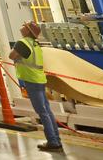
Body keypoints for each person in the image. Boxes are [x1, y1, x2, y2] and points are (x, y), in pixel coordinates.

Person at [10, 20, 63, 153]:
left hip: (32, 80)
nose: (21, 27)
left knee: (42, 111)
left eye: (24, 26)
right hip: (39, 79)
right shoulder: (35, 43)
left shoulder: (23, 42)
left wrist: (17, 59)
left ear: (28, 31)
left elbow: (11, 55)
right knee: (47, 111)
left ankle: (53, 142)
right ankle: (56, 139)